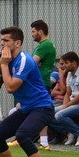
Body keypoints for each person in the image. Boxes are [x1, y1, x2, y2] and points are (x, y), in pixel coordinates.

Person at [0, 26, 55, 157]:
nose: (2, 44)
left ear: (17, 43)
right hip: (26, 108)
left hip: (42, 107)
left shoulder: (24, 60)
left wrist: (4, 65)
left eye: (6, 40)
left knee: (23, 135)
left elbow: (11, 87)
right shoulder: (7, 60)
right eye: (1, 40)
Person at [48, 52, 79, 147]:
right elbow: (68, 93)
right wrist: (64, 106)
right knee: (46, 114)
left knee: (59, 115)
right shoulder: (70, 74)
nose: (63, 65)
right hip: (73, 104)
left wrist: (66, 106)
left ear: (74, 63)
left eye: (66, 63)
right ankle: (69, 132)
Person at [30, 20, 57, 149]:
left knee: (34, 110)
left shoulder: (45, 45)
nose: (32, 34)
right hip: (41, 82)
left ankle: (22, 137)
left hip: (40, 82)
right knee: (36, 109)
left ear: (40, 31)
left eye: (33, 31)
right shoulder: (46, 44)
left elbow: (31, 63)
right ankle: (43, 141)